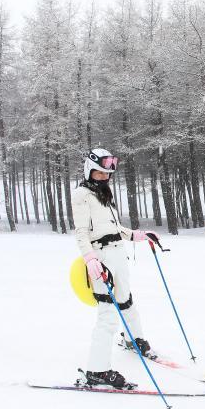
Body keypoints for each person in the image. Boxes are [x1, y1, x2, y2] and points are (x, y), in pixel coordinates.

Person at [71, 147, 158, 388]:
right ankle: (97, 371)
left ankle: (133, 339)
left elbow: (115, 228)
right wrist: (91, 259)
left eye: (107, 174)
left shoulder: (104, 194)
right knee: (108, 316)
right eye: (99, 173)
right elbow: (81, 232)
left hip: (119, 255)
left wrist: (138, 235)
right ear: (90, 171)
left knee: (126, 301)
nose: (104, 177)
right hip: (101, 259)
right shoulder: (81, 195)